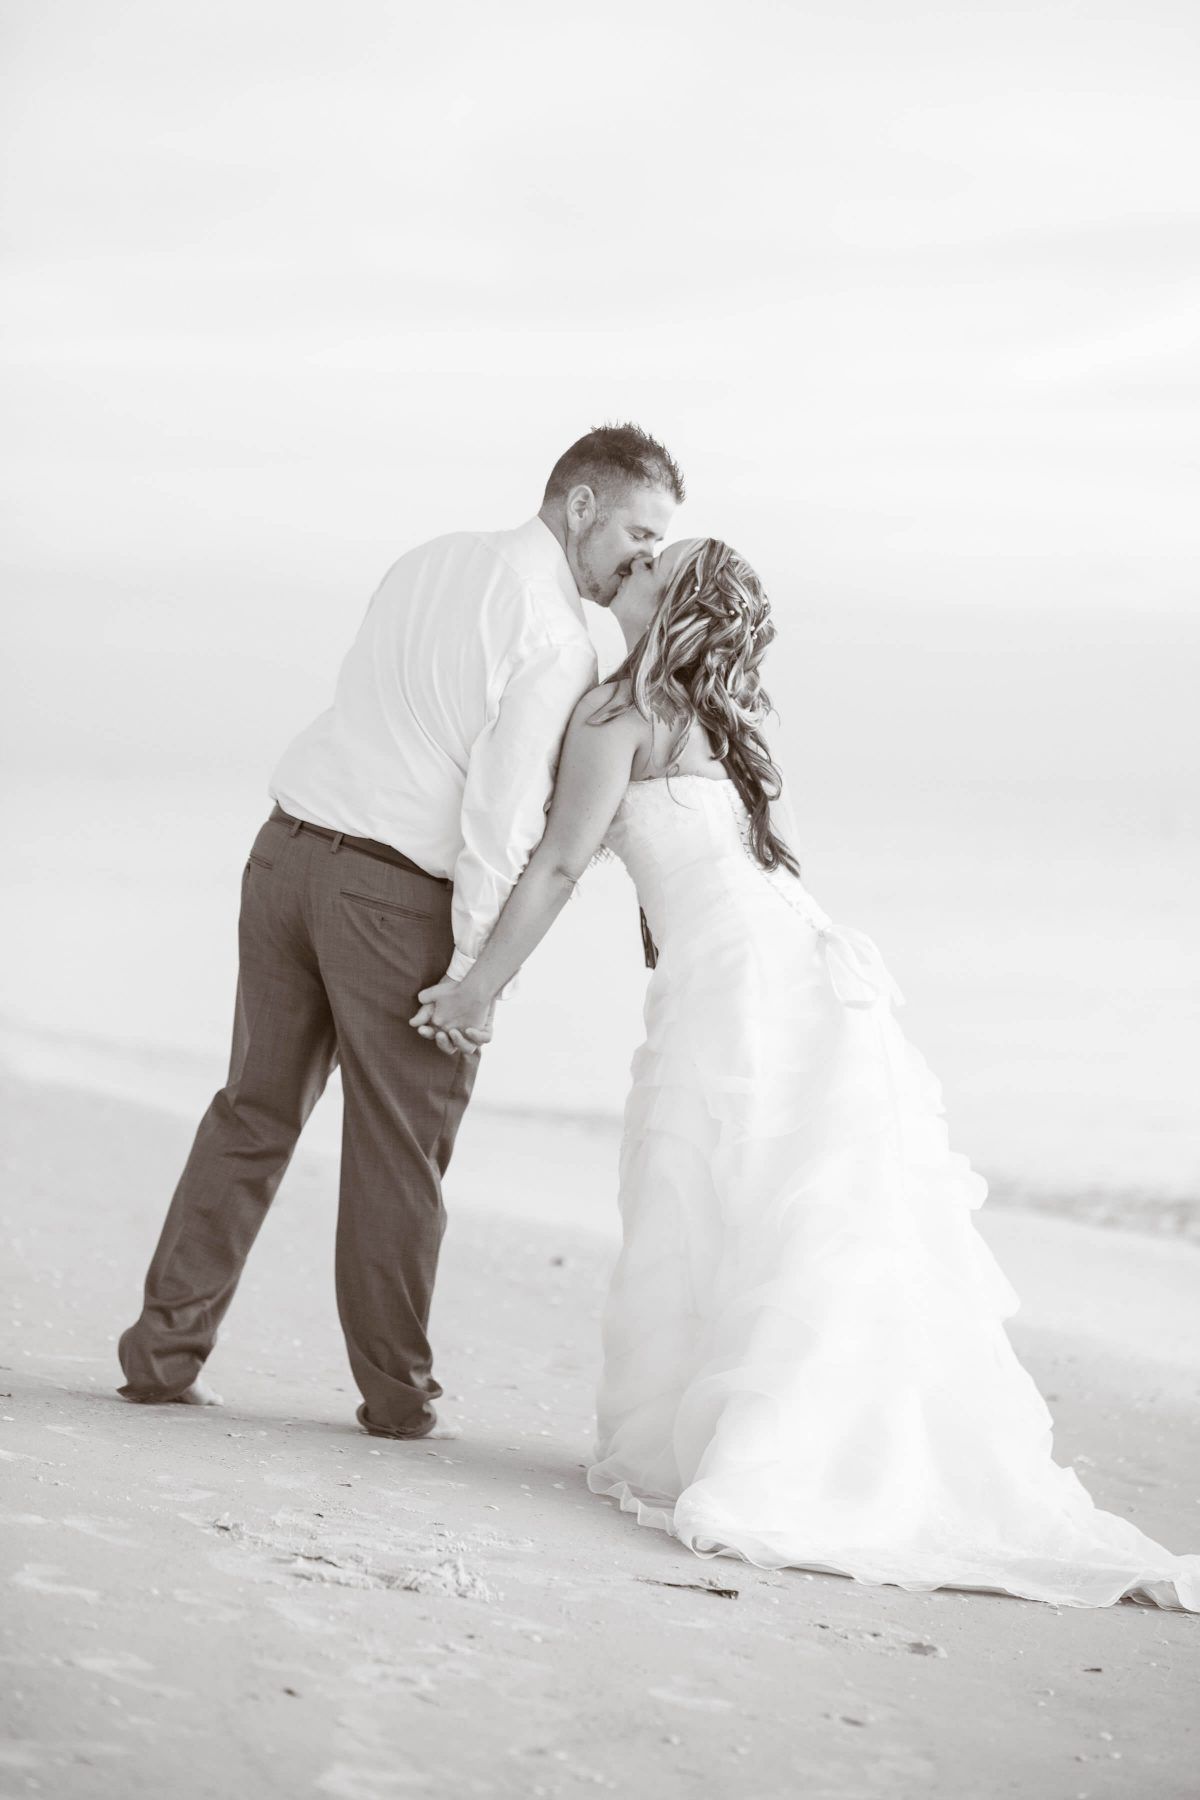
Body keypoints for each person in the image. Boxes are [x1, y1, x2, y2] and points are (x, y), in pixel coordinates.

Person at [413, 536, 1200, 1608]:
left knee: (751, 1191)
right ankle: (791, 1435)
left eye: (651, 563)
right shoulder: (694, 722)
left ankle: (782, 1450)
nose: (630, 565)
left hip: (745, 973)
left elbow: (558, 863)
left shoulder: (618, 718)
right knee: (783, 1195)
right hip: (781, 956)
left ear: (672, 601)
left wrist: (475, 990)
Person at [116, 423, 683, 1439]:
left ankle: (161, 1356)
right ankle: (397, 1398)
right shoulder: (556, 636)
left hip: (286, 854)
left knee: (251, 1114)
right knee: (399, 1151)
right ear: (582, 505)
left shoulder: (429, 557)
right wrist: (474, 977)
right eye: (638, 533)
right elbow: (504, 820)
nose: (644, 560)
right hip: (389, 899)